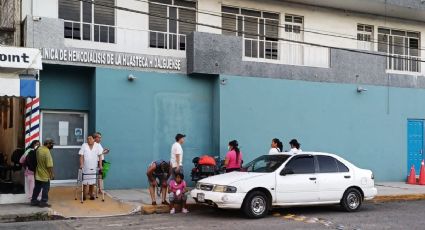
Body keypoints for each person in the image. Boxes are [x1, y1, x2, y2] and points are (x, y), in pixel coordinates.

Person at [31, 139, 54, 207]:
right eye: (51, 144)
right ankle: (43, 202)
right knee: (46, 188)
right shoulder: (46, 152)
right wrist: (52, 174)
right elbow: (49, 165)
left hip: (38, 172)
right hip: (45, 174)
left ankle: (34, 200)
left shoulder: (39, 149)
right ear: (47, 144)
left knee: (37, 187)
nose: (52, 146)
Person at [79, 135, 102, 200]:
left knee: (92, 181)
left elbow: (100, 156)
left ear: (94, 139)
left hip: (94, 166)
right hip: (86, 166)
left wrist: (100, 165)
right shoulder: (84, 145)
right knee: (85, 181)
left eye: (90, 139)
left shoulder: (97, 146)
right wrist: (81, 164)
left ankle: (91, 194)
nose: (88, 140)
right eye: (88, 139)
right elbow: (81, 156)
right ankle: (84, 195)